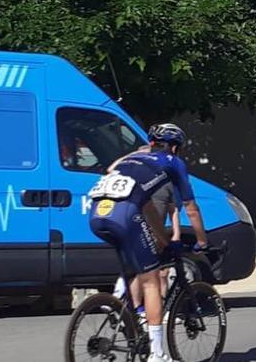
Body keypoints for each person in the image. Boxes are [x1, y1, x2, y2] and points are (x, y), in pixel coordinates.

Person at [88, 123, 209, 362]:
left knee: (135, 266)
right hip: (125, 215)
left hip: (97, 216)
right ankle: (157, 354)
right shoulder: (173, 163)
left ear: (151, 143)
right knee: (152, 281)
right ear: (174, 147)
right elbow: (191, 209)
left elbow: (148, 208)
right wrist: (202, 240)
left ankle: (120, 303)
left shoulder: (130, 161)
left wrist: (162, 239)